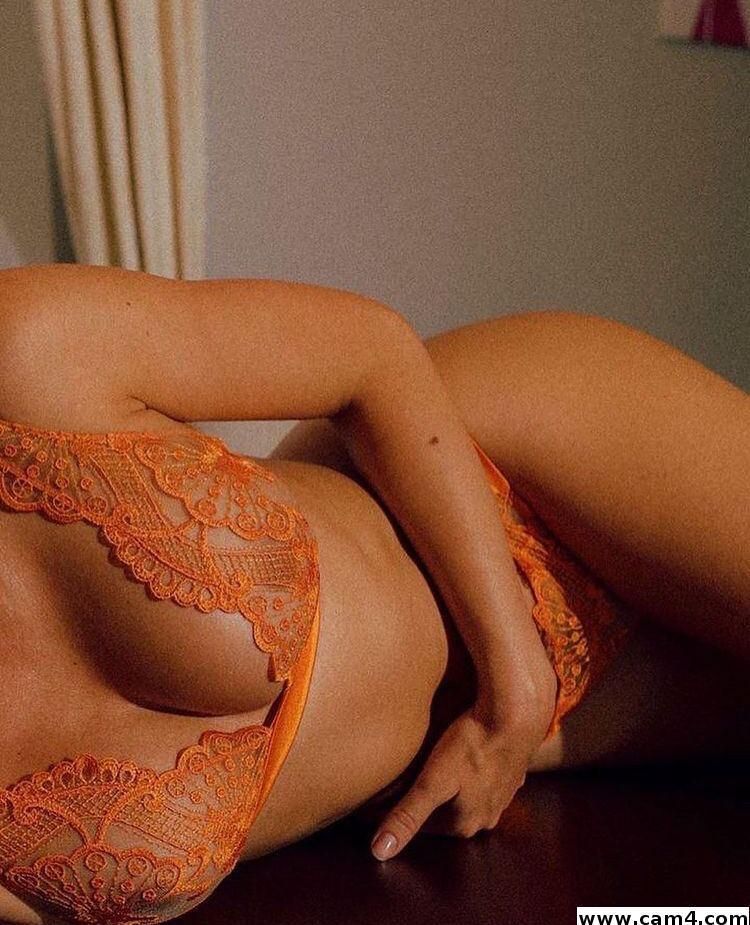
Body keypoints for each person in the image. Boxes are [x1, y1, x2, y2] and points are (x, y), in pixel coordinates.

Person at [0, 261, 747, 925]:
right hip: (512, 736)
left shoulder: (19, 354)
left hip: (503, 473)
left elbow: (372, 356)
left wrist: (518, 682)